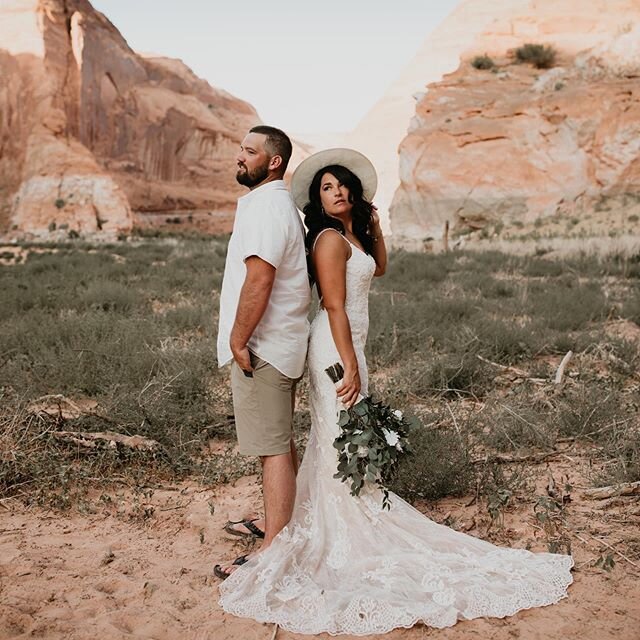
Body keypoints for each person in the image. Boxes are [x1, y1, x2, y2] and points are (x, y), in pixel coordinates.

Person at [218, 148, 573, 635]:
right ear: (316, 201)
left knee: (343, 433)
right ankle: (329, 519)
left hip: (353, 343)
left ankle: (329, 504)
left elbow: (379, 267)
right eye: (326, 187)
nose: (337, 191)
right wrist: (348, 363)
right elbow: (336, 307)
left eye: (342, 184)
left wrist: (374, 224)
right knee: (340, 430)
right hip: (336, 345)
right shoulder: (325, 239)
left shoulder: (351, 235)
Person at [214, 126, 310, 579]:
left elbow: (260, 278)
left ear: (273, 161)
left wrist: (238, 339)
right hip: (279, 343)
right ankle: (283, 525)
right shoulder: (269, 204)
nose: (240, 157)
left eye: (249, 152)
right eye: (241, 149)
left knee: (271, 448)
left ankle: (274, 549)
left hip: (265, 346)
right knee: (280, 441)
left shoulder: (270, 206)